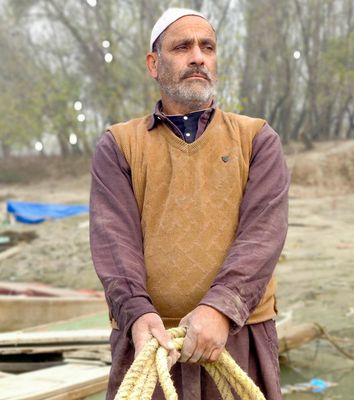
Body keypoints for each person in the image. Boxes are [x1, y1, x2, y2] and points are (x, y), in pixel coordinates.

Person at [90, 7, 289, 400]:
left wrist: (219, 309)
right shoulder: (119, 145)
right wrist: (136, 312)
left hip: (238, 335)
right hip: (150, 341)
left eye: (207, 47)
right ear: (154, 63)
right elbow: (114, 244)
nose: (198, 56)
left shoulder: (257, 139)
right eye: (182, 46)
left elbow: (262, 237)